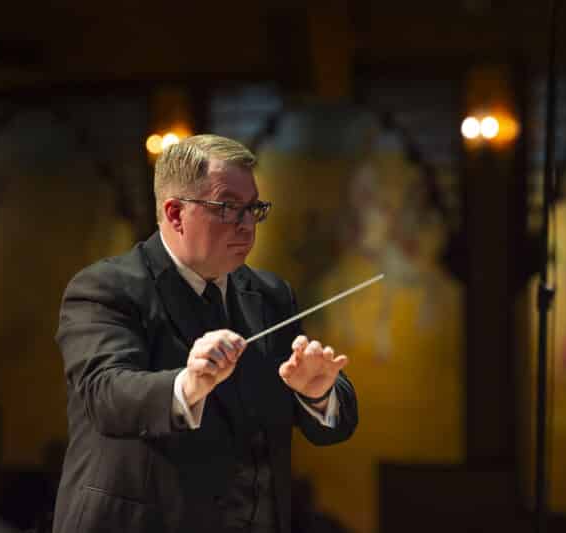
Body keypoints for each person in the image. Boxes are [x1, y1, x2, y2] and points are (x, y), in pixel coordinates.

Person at [52, 134, 358, 533]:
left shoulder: (271, 295)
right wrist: (188, 384)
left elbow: (337, 423)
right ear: (175, 213)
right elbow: (105, 394)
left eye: (253, 209)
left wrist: (316, 393)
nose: (247, 226)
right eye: (228, 207)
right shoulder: (106, 288)